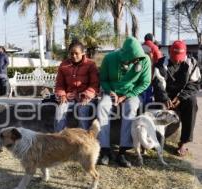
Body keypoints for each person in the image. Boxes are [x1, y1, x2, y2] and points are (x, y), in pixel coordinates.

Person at [97, 36, 151, 167]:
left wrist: (126, 96)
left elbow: (145, 82)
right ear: (124, 55)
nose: (135, 61)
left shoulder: (144, 60)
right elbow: (103, 79)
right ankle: (105, 150)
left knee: (130, 108)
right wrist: (110, 92)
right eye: (133, 58)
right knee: (102, 107)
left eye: (137, 58)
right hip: (111, 91)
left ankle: (123, 151)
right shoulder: (109, 58)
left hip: (131, 93)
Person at [153, 40, 201, 156]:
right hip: (165, 95)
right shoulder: (160, 64)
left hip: (182, 96)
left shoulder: (192, 63)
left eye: (180, 57)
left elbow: (195, 84)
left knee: (192, 102)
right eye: (175, 57)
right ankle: (157, 138)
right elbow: (158, 84)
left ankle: (184, 141)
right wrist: (165, 98)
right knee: (159, 105)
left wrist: (180, 98)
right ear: (169, 52)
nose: (177, 60)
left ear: (185, 53)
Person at [54, 40, 99, 132]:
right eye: (71, 53)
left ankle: (83, 139)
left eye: (76, 53)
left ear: (83, 53)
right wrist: (62, 95)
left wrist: (86, 95)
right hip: (69, 97)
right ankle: (58, 139)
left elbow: (94, 84)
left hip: (86, 97)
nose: (74, 56)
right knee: (60, 109)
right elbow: (59, 84)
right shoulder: (64, 65)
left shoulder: (90, 64)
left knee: (83, 110)